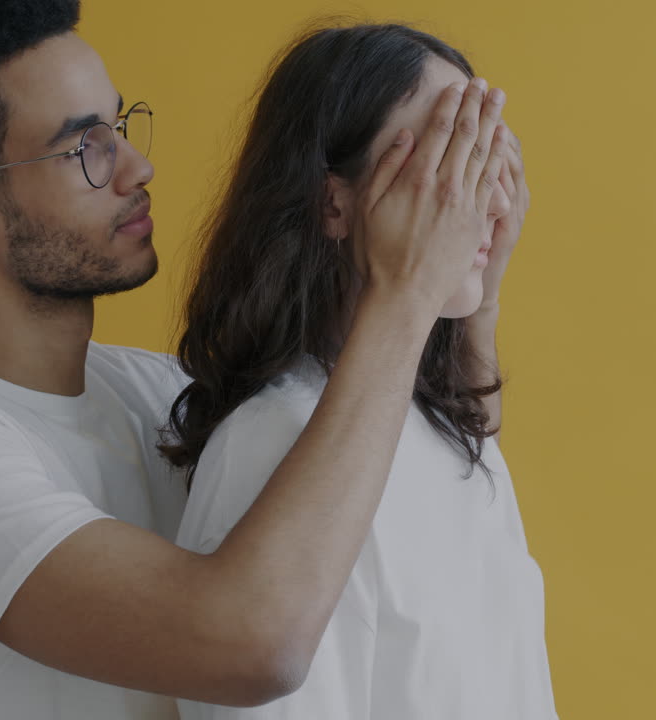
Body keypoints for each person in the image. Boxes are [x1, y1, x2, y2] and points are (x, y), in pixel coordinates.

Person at [0, 1, 512, 718]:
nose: (137, 167)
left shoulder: (158, 394)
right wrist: (407, 291)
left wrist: (474, 295)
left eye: (119, 126)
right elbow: (251, 644)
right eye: (84, 148)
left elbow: (438, 487)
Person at [163, 24, 554, 719]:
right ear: (333, 203)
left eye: (488, 164)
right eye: (447, 165)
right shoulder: (274, 446)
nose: (491, 205)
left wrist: (477, 294)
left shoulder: (441, 426)